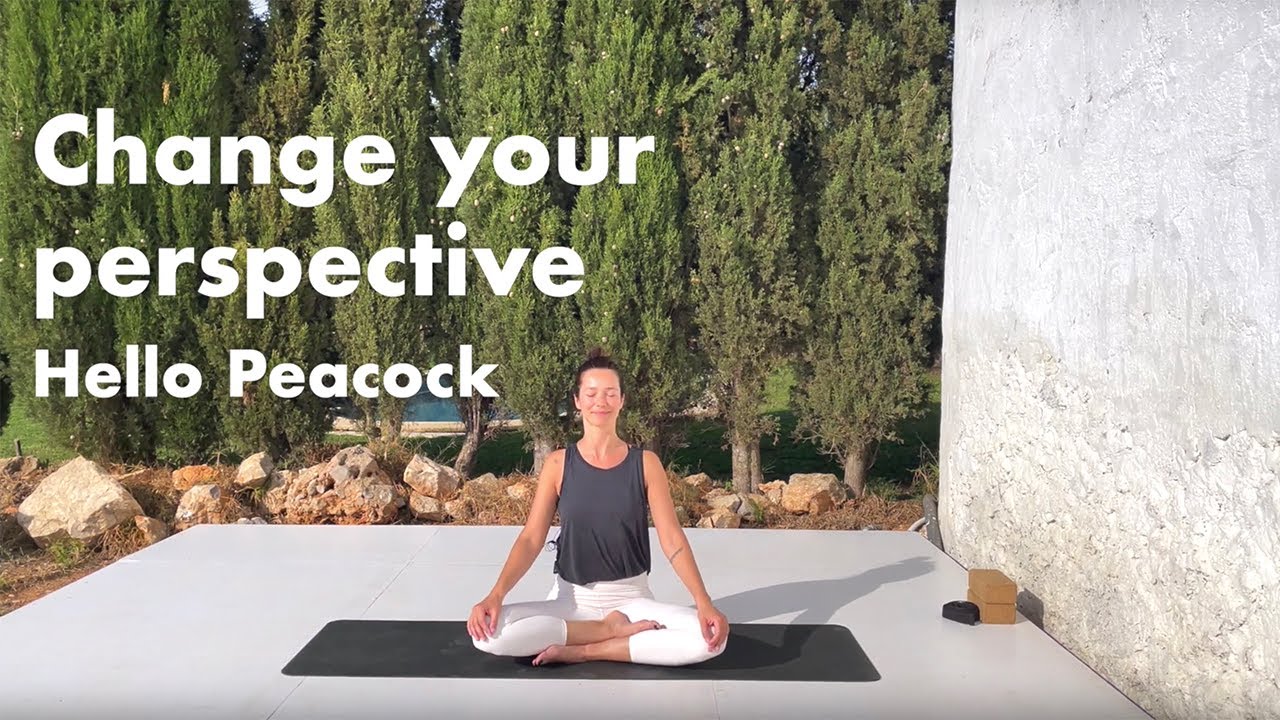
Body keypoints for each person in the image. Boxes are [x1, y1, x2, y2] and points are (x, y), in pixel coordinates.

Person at [467, 348, 730, 667]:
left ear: (622, 400)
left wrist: (703, 601)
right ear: (577, 400)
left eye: (610, 393)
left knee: (710, 642)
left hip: (632, 601)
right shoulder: (558, 464)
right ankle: (607, 631)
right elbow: (531, 538)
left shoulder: (646, 464)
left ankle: (585, 649)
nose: (600, 402)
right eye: (591, 394)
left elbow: (672, 539)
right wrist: (496, 595)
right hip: (572, 600)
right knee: (489, 635)